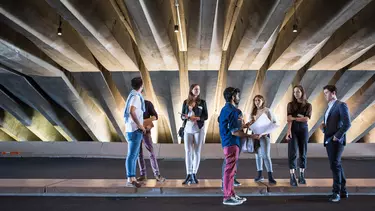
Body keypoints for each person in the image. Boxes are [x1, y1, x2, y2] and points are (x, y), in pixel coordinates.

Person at [219, 87, 261, 206]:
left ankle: (231, 194)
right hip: (232, 143)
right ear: (233, 97)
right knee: (230, 170)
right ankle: (227, 197)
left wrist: (246, 125)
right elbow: (234, 132)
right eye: (237, 95)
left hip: (227, 142)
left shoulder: (224, 109)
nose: (238, 98)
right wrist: (252, 136)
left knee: (231, 170)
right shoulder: (235, 111)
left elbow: (230, 126)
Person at [320, 85, 351, 202]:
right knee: (337, 165)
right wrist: (323, 129)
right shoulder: (329, 107)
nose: (325, 95)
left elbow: (347, 124)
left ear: (333, 93)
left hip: (336, 141)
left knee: (335, 165)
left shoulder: (341, 105)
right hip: (329, 140)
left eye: (327, 93)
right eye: (324, 93)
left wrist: (337, 137)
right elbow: (332, 124)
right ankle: (343, 191)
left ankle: (336, 192)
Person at [180, 84, 208, 184]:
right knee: (188, 151)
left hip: (198, 128)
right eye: (195, 89)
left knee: (197, 151)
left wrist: (198, 118)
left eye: (198, 89)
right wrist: (186, 116)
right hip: (188, 128)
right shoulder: (185, 102)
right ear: (191, 90)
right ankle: (188, 173)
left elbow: (206, 116)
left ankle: (194, 174)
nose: (197, 90)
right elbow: (182, 116)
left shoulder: (202, 102)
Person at [286, 85, 312, 186]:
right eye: (294, 92)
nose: (296, 94)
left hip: (303, 130)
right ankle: (292, 176)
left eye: (298, 92)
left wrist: (294, 118)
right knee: (292, 153)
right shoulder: (290, 104)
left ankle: (301, 175)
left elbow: (306, 119)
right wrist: (288, 131)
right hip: (293, 129)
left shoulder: (308, 105)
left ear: (302, 92)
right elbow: (288, 119)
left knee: (303, 153)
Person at [248, 95, 277, 184]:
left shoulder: (267, 111)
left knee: (266, 156)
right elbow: (250, 127)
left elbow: (273, 123)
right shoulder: (253, 112)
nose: (257, 102)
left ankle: (270, 176)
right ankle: (259, 175)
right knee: (258, 156)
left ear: (263, 101)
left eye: (258, 100)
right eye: (255, 100)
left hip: (264, 135)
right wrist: (251, 124)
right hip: (255, 135)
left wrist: (264, 132)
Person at [124, 77, 146, 188]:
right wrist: (140, 125)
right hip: (134, 130)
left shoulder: (131, 95)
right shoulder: (136, 97)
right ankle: (130, 178)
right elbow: (132, 111)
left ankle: (132, 178)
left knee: (133, 155)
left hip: (130, 129)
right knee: (132, 155)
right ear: (141, 85)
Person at [136, 100, 166, 183]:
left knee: (151, 152)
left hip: (146, 131)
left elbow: (155, 116)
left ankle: (157, 174)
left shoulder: (147, 103)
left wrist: (148, 122)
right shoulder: (133, 103)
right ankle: (143, 175)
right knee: (139, 154)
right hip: (136, 131)